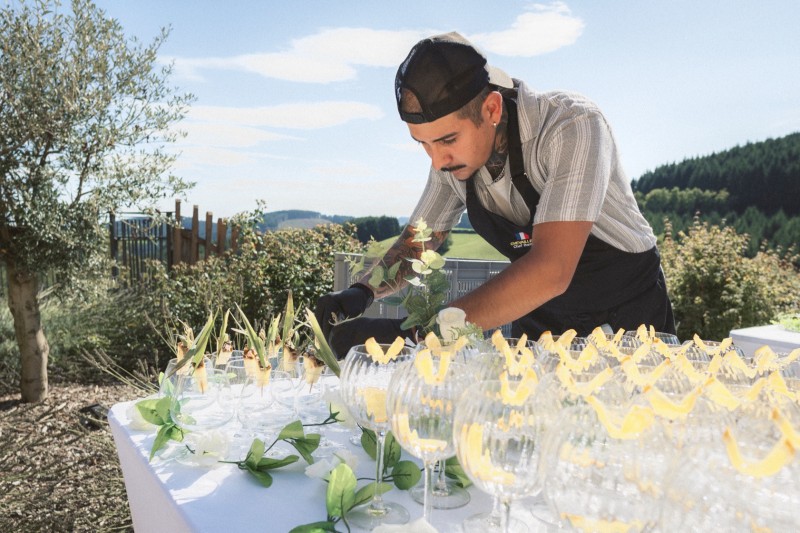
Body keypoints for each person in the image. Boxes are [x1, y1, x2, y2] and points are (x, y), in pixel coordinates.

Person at [315, 31, 675, 358]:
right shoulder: (452, 164)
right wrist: (360, 292)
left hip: (627, 308)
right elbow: (416, 245)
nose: (438, 160)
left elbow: (552, 269)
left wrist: (418, 333)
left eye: (447, 140)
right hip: (539, 314)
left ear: (491, 109)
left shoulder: (572, 126)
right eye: (423, 144)